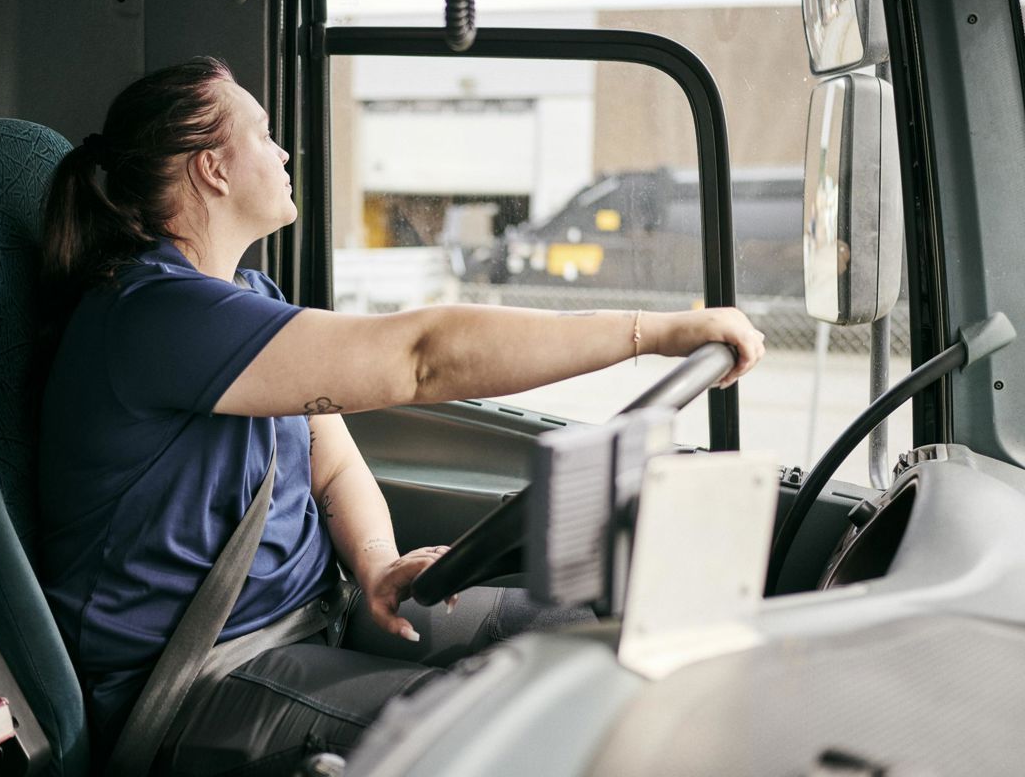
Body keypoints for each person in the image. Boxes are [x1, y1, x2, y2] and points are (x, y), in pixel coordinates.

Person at [37, 56, 765, 776]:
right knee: (505, 734)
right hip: (204, 678)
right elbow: (423, 358)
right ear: (213, 170)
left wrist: (380, 565)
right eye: (262, 135)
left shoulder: (247, 296)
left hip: (317, 614)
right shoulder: (156, 317)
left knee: (574, 638)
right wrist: (651, 333)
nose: (284, 150)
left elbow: (331, 459)